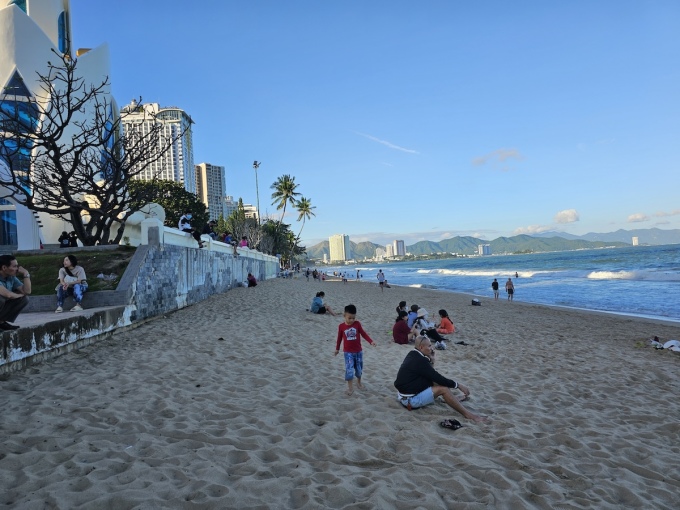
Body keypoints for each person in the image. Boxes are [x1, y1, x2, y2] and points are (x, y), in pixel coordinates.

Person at [394, 335, 487, 422]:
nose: (432, 348)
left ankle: (452, 399)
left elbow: (430, 374)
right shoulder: (420, 361)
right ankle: (469, 415)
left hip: (404, 394)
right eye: (429, 346)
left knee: (436, 382)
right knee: (444, 389)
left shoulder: (413, 354)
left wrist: (432, 360)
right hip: (410, 401)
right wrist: (458, 385)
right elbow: (438, 378)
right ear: (421, 347)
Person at [334, 304, 377, 395]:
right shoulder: (341, 326)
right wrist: (337, 349)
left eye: (353, 318)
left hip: (358, 352)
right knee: (349, 369)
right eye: (349, 318)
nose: (352, 320)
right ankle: (350, 388)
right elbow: (339, 339)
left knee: (359, 369)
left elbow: (363, 334)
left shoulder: (357, 324)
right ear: (344, 315)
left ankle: (359, 382)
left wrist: (371, 341)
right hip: (348, 352)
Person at [0, 254, 31, 330]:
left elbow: (27, 291)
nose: (17, 269)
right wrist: (19, 295)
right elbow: (8, 294)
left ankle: (1, 323)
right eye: (14, 266)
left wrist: (26, 274)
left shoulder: (11, 278)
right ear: (4, 268)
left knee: (25, 299)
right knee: (1, 298)